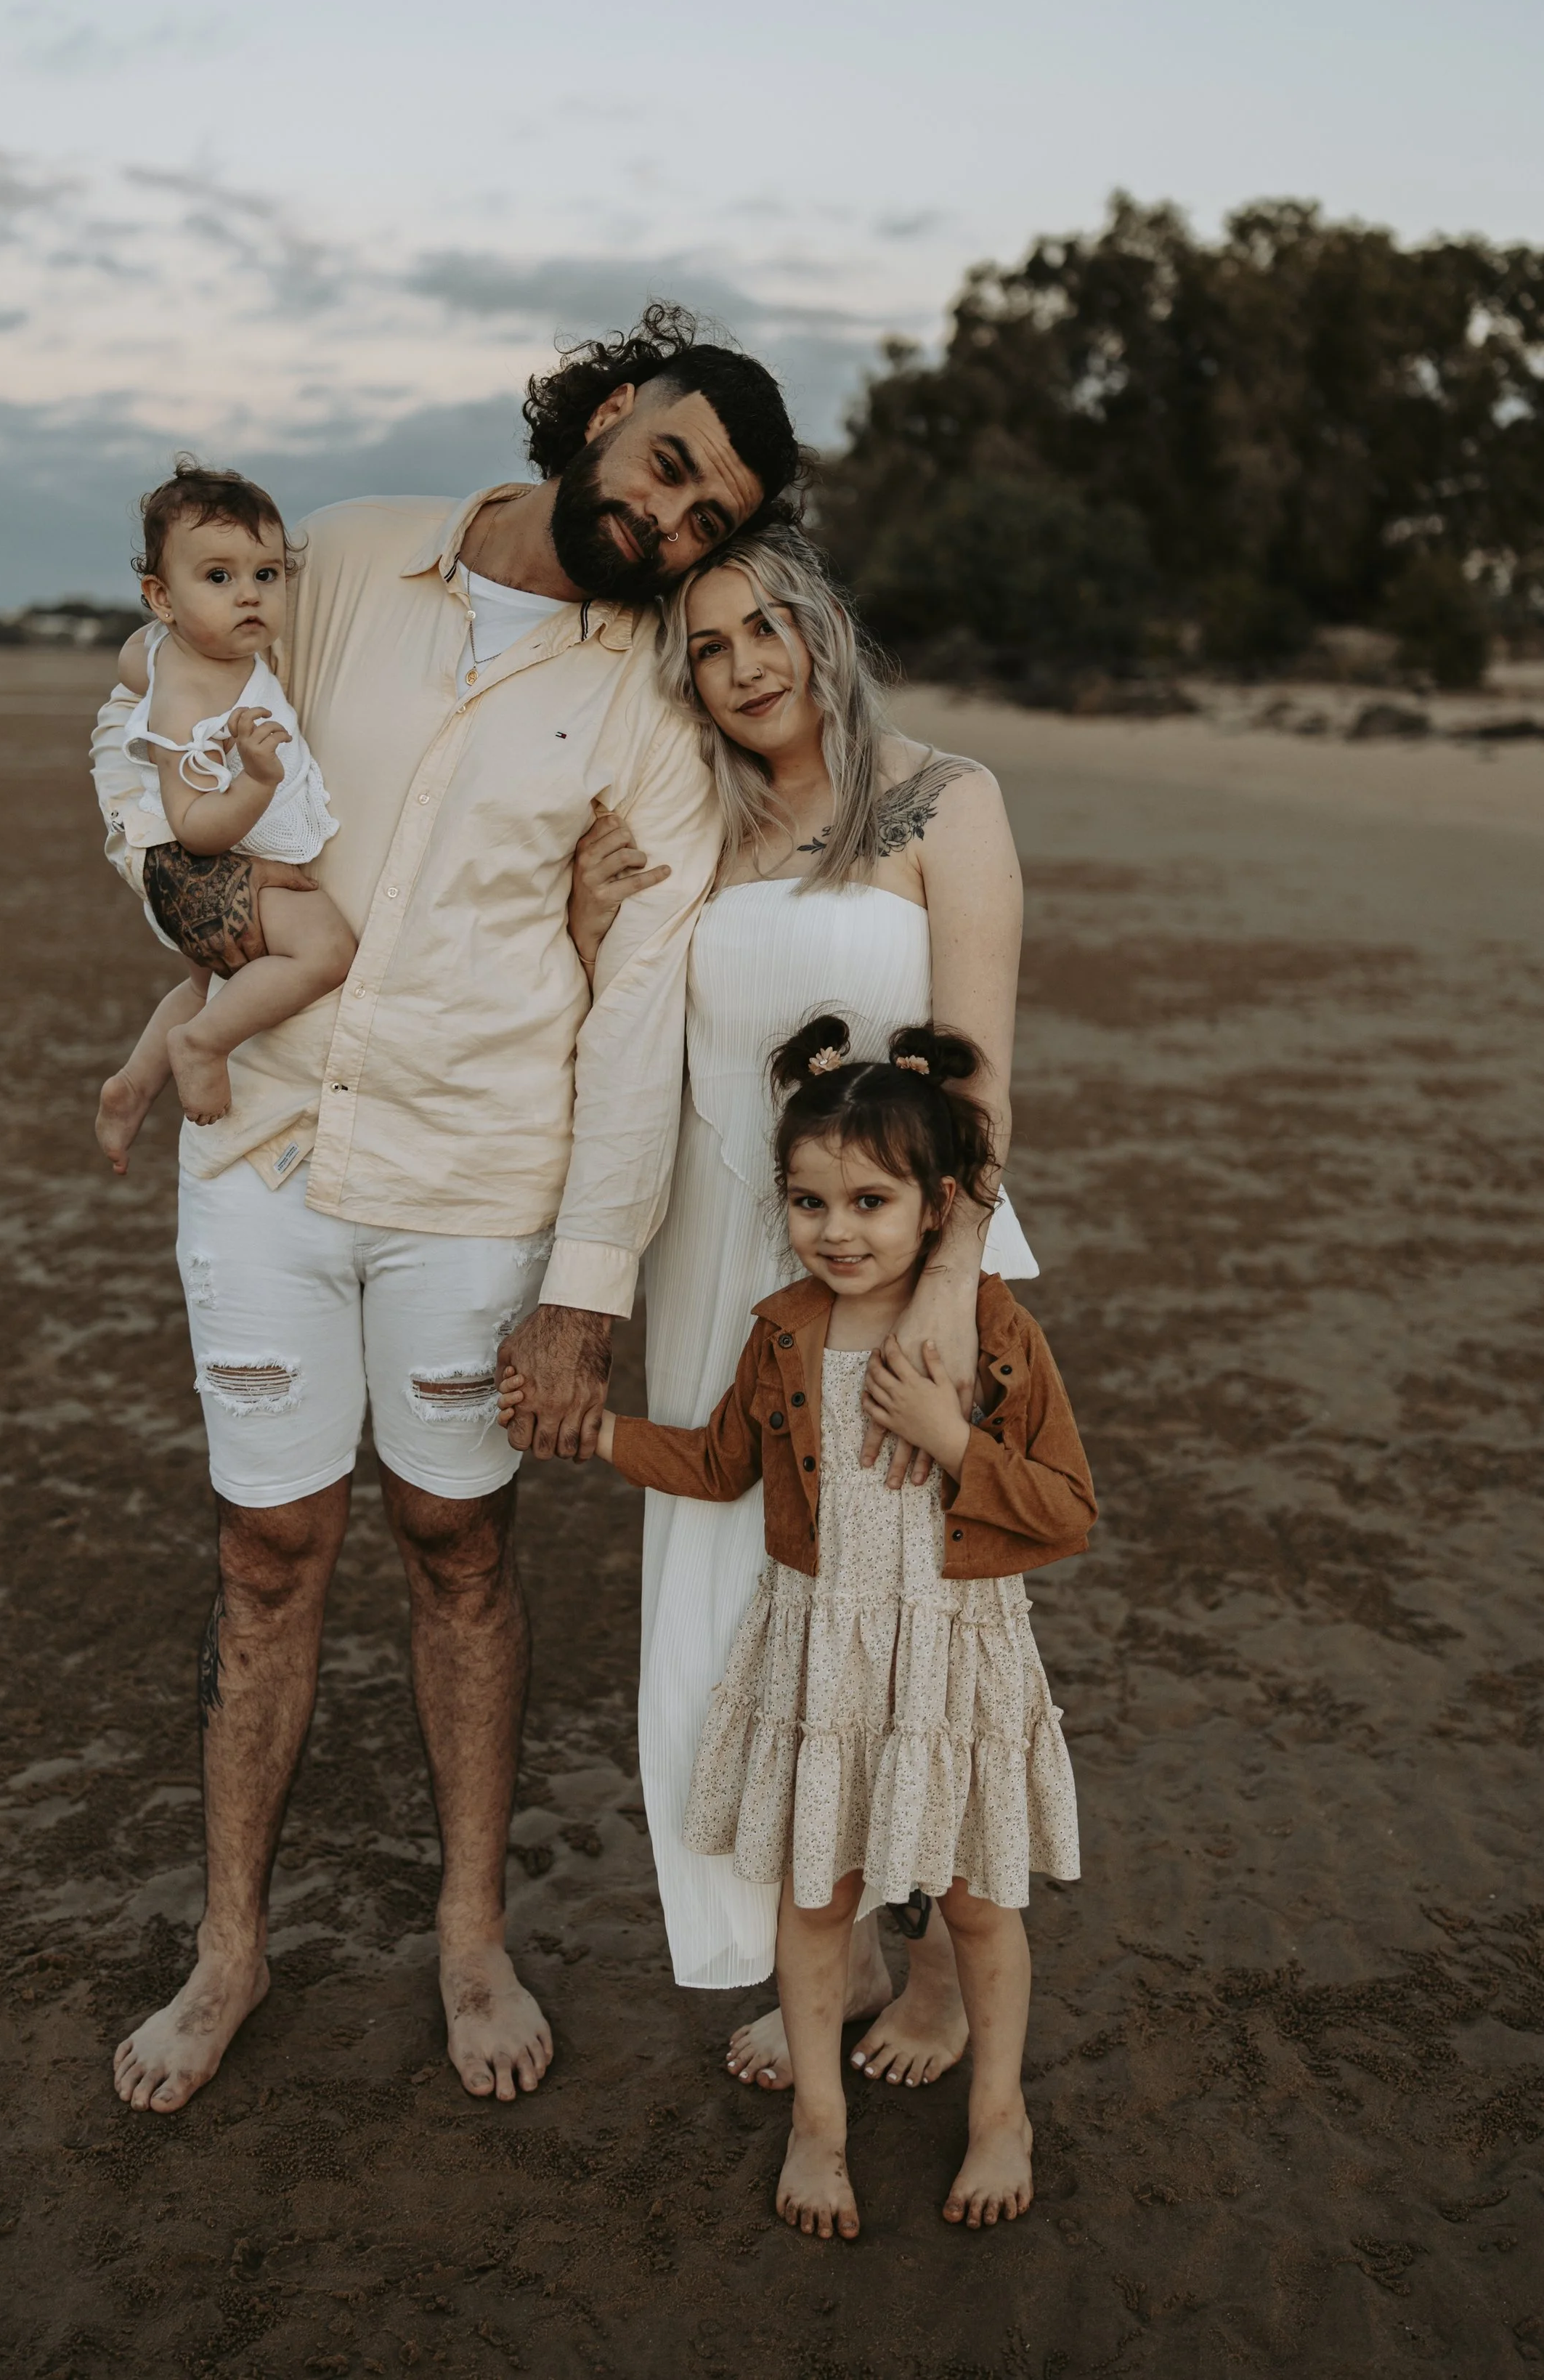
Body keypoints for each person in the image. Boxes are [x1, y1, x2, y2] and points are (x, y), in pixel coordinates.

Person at [86, 306, 801, 2113]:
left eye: (710, 514)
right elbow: (153, 719)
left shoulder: (657, 704)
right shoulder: (335, 551)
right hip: (257, 1144)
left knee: (455, 1544)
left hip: (480, 1181)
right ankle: (229, 1948)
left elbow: (640, 1015)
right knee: (266, 1550)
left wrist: (582, 1291)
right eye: (668, 463)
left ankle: (470, 1934)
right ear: (617, 409)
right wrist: (191, 899)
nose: (669, 518)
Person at [565, 524, 1036, 2089]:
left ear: (821, 624)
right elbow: (631, 1023)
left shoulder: (942, 801)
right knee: (735, 1619)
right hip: (718, 1254)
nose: (745, 662)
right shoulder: (692, 819)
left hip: (895, 1262)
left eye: (765, 625)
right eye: (707, 645)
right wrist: (588, 921)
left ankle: (944, 1984)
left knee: (908, 1616)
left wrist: (951, 1289)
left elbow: (973, 1076)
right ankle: (840, 1954)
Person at [502, 1014, 1092, 2238]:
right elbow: (721, 1462)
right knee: (817, 1899)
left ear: (937, 1206)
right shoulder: (782, 1331)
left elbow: (1067, 1512)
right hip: (820, 1656)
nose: (837, 1231)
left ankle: (1000, 2112)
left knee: (983, 1901)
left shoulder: (990, 1335)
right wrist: (592, 1431)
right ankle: (819, 2126)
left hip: (951, 1655)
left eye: (870, 1202)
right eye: (811, 1202)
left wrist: (952, 1444)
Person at [96, 464, 357, 1171]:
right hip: (207, 849)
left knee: (208, 983)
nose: (247, 594)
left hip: (226, 837)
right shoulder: (184, 700)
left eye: (266, 575)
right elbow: (195, 828)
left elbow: (133, 659)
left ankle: (131, 1086)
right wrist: (259, 778)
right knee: (326, 950)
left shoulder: (197, 650)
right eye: (218, 577)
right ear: (161, 597)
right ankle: (202, 1044)